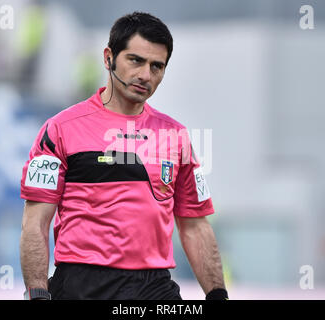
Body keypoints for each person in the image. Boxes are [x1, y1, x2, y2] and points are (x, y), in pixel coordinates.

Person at [20, 12, 228, 300]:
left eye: (157, 66)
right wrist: (38, 294)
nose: (146, 75)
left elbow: (194, 225)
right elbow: (35, 223)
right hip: (81, 284)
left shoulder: (176, 135)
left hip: (154, 287)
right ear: (108, 58)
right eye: (135, 60)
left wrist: (218, 295)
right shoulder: (59, 129)